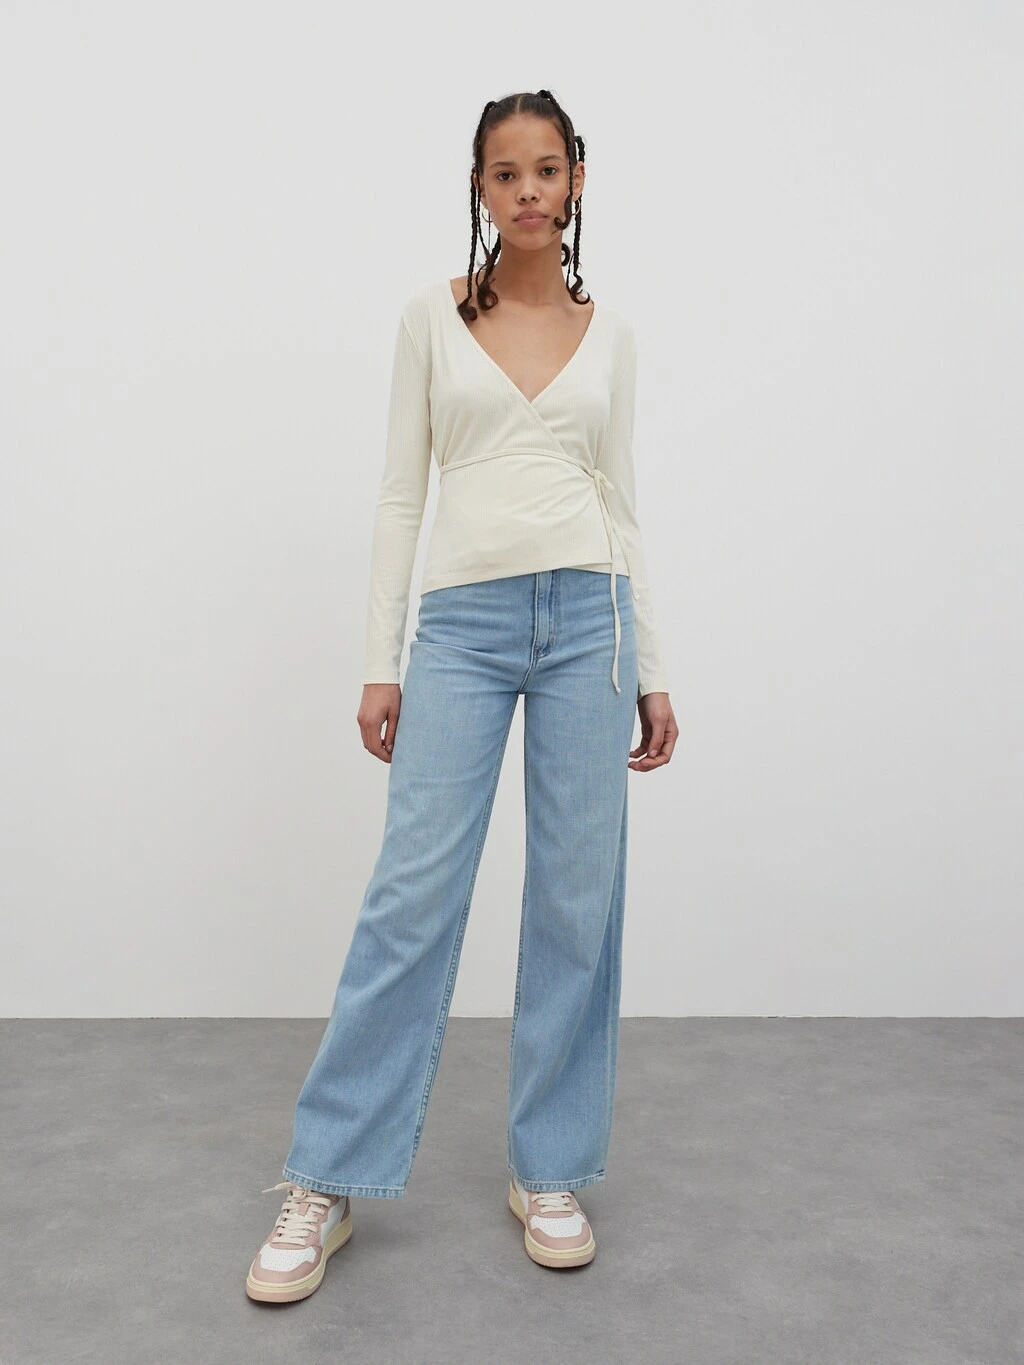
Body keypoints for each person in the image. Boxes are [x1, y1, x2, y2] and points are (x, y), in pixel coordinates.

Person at [246, 87, 678, 1304]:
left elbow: (623, 500)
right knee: (413, 894)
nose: (528, 190)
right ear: (480, 190)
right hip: (465, 628)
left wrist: (651, 667)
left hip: (589, 619)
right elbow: (402, 492)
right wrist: (380, 659)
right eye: (505, 173)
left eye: (547, 169)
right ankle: (324, 1175)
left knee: (578, 899)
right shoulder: (428, 319)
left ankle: (549, 1169)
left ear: (577, 180)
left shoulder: (611, 334)